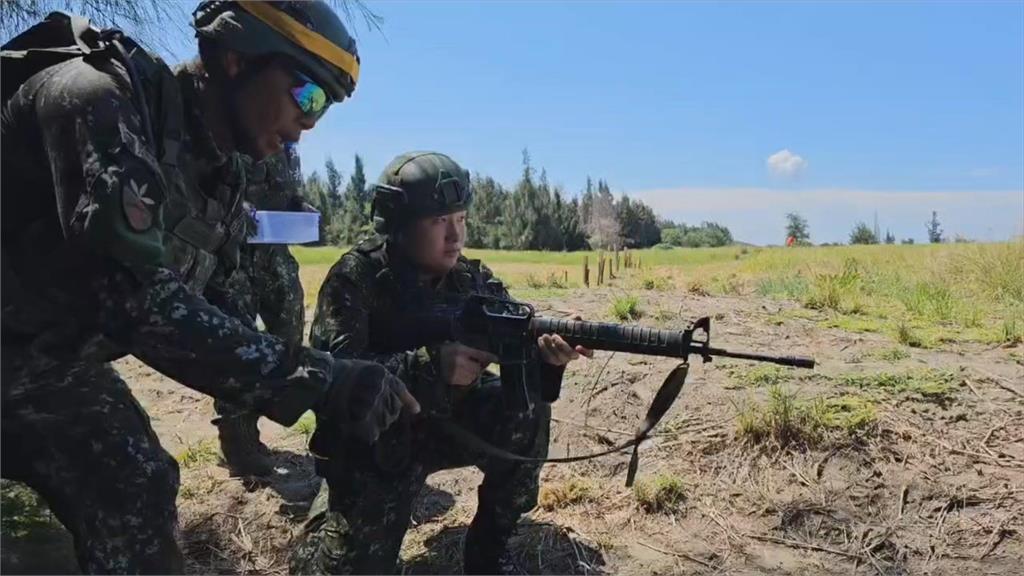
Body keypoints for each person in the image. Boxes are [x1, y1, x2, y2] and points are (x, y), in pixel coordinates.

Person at [1, 2, 417, 572]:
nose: (311, 121)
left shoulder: (217, 169)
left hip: (44, 362)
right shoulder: (94, 98)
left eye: (324, 106)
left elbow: (225, 296)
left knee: (137, 483)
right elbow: (141, 306)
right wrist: (321, 380)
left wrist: (339, 388)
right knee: (31, 550)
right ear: (235, 58)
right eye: (307, 94)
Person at [290, 151, 590, 575]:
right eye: (438, 222)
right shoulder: (355, 280)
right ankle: (330, 511)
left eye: (462, 219)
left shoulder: (471, 279)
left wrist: (548, 359)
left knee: (526, 408)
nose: (455, 236)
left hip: (446, 425)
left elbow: (518, 346)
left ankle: (488, 551)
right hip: (377, 443)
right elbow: (332, 379)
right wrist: (430, 366)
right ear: (398, 225)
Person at [212, 145, 312, 476]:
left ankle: (271, 404)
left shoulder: (284, 147)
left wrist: (299, 209)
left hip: (274, 256)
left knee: (290, 333)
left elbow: (285, 195)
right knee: (237, 349)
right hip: (232, 258)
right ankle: (239, 441)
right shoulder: (226, 133)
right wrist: (233, 212)